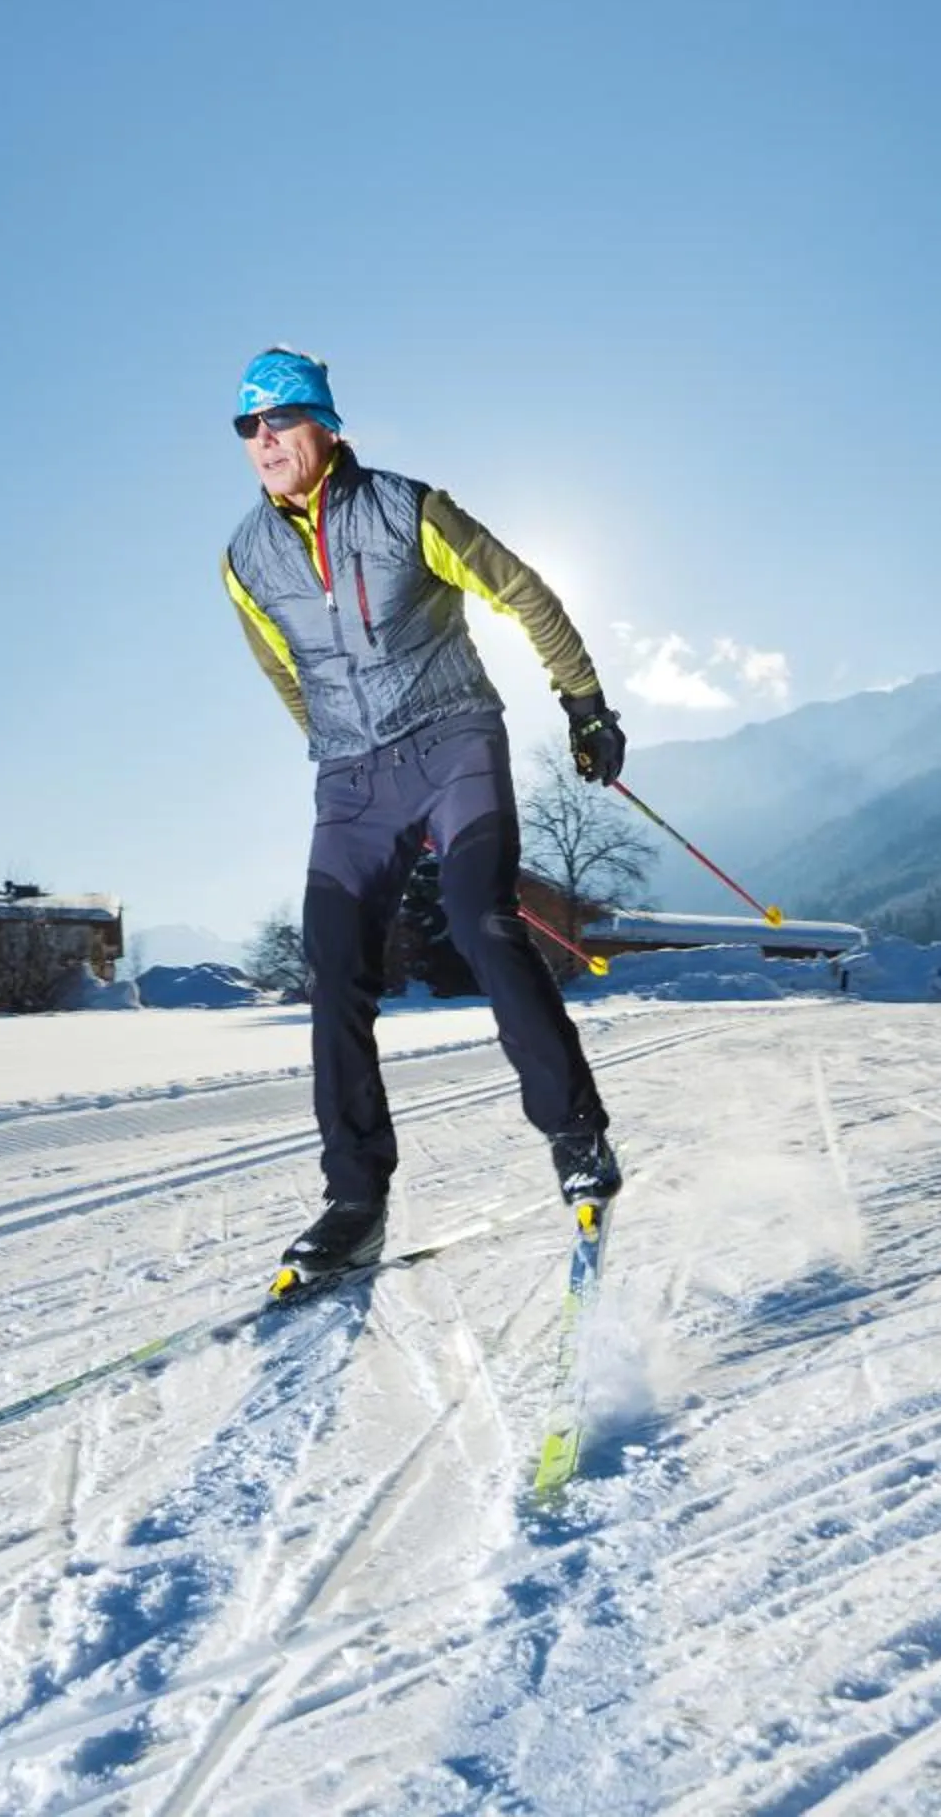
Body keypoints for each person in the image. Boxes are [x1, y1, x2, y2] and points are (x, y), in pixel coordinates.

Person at [219, 347, 627, 1283]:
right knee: (334, 968)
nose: (263, 441)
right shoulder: (244, 558)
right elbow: (286, 671)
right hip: (353, 782)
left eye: (278, 420)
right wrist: (336, 754)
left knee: (484, 922)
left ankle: (577, 1139)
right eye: (247, 427)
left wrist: (584, 702)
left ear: (323, 422)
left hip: (451, 740)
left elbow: (521, 589)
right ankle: (355, 1203)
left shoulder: (407, 508)